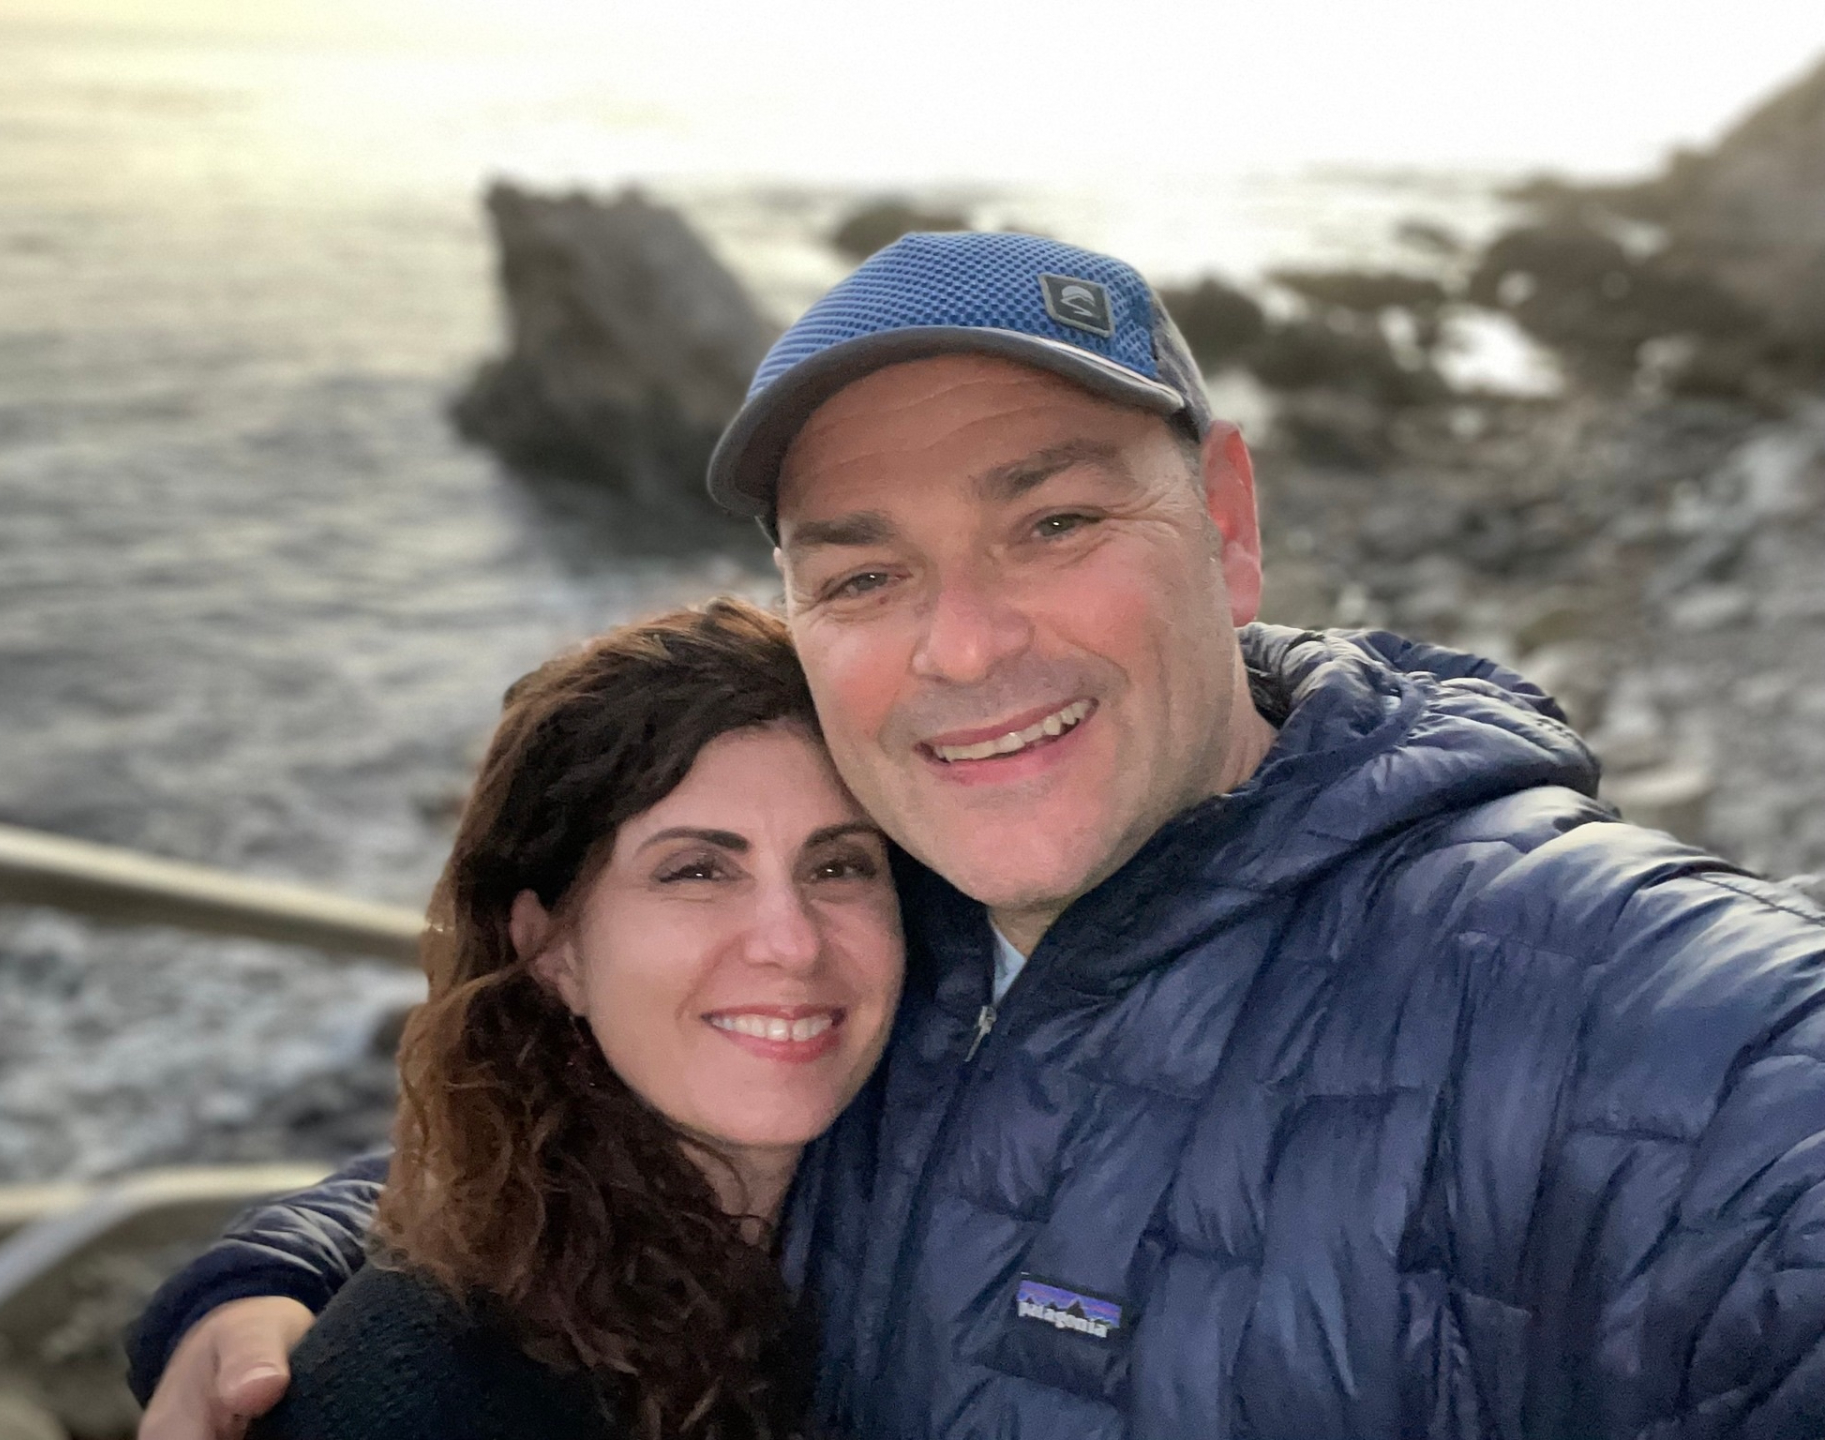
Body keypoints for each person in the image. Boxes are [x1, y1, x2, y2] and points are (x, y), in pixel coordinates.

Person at [132, 233, 1825, 1439]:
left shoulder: (1646, 1021)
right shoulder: (881, 926)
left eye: (1055, 520)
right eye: (865, 575)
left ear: (1229, 526)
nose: (960, 646)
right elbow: (599, 1131)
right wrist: (273, 1278)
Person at [236, 597, 903, 1440]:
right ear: (550, 949)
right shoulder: (434, 1395)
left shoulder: (898, 1189)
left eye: (838, 865)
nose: (793, 943)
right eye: (696, 871)